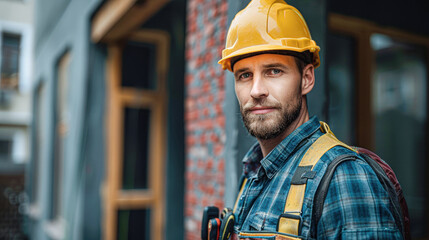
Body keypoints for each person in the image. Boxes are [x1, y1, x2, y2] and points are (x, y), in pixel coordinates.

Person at [217, 0, 404, 239]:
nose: (256, 90)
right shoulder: (252, 172)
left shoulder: (344, 178)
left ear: (306, 79)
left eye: (274, 71)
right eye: (244, 75)